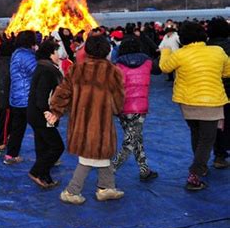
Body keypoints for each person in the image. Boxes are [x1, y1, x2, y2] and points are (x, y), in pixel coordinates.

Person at [46, 35, 125, 204]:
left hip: (81, 120)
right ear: (107, 50)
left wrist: (56, 111)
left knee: (101, 155)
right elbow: (119, 98)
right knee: (91, 157)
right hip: (101, 121)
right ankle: (71, 191)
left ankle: (106, 187)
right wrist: (118, 110)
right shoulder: (113, 71)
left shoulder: (76, 69)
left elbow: (62, 92)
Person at [160, 22, 230, 190]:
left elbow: (164, 67)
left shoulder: (180, 54)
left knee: (196, 134)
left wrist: (165, 50)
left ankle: (201, 167)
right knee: (207, 139)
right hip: (212, 101)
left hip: (187, 102)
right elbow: (227, 72)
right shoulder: (217, 51)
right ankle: (195, 173)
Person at [112, 38, 158, 181]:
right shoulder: (148, 62)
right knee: (131, 141)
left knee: (134, 138)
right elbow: (160, 69)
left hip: (122, 108)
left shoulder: (116, 65)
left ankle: (144, 170)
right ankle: (109, 171)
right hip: (139, 108)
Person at [27, 40, 65, 188]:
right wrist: (47, 113)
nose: (59, 55)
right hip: (41, 115)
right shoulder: (47, 71)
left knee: (42, 146)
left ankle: (45, 177)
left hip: (35, 114)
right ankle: (36, 172)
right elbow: (42, 96)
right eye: (57, 52)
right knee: (57, 147)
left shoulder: (43, 67)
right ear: (51, 54)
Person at [4, 30, 37, 165]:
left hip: (16, 98)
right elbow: (36, 72)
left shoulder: (16, 54)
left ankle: (11, 155)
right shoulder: (27, 56)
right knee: (40, 128)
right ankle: (48, 157)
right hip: (26, 98)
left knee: (17, 128)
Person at [206, 17, 230, 169]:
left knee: (217, 125)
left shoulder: (205, 48)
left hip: (212, 91)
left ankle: (219, 156)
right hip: (229, 89)